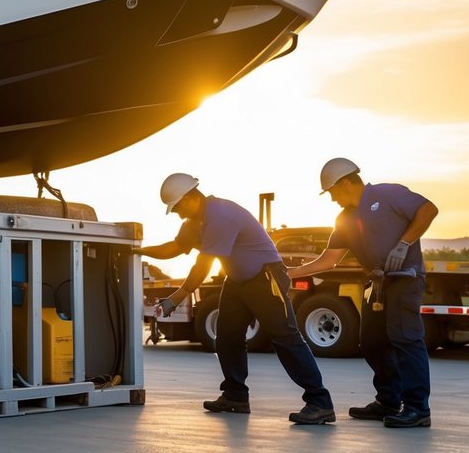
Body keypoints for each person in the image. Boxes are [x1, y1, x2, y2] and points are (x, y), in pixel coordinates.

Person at [138, 173, 335, 424]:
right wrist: (136, 250)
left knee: (286, 338)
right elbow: (174, 248)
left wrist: (175, 298)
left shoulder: (221, 214)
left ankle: (320, 402)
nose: (176, 213)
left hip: (266, 279)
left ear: (190, 197)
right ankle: (235, 396)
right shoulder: (192, 223)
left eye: (177, 207)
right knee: (227, 338)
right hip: (237, 281)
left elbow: (203, 264)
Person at [289, 158, 438, 428]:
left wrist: (405, 243)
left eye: (332, 192)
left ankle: (417, 408)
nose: (332, 199)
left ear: (345, 183)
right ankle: (388, 400)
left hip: (405, 278)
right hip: (377, 283)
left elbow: (428, 210)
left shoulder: (388, 194)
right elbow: (328, 260)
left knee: (405, 339)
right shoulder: (344, 218)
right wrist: (288, 273)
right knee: (371, 341)